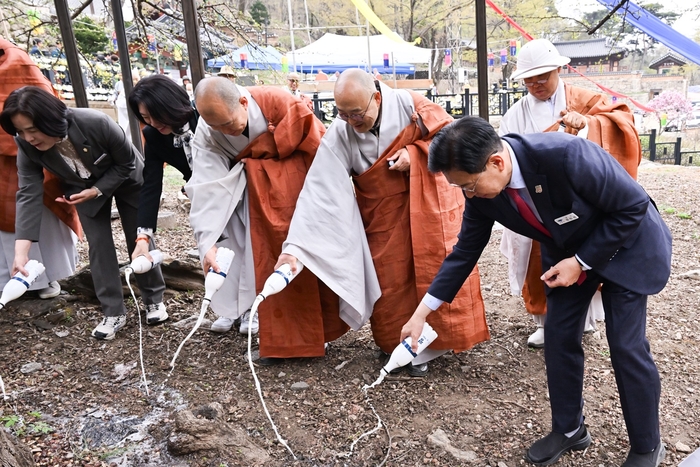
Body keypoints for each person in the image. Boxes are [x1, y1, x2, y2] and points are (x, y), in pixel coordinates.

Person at [401, 116, 670, 467]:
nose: (468, 194)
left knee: (625, 345)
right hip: (568, 252)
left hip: (627, 244)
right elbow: (465, 251)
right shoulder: (484, 190)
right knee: (557, 334)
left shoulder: (566, 155)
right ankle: (570, 429)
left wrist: (583, 261)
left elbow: (632, 206)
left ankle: (647, 445)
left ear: (496, 162)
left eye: (468, 185)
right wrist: (421, 314)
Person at [276, 69, 489, 377]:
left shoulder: (409, 105)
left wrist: (415, 155)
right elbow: (319, 188)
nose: (351, 121)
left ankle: (432, 347)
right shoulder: (341, 130)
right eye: (343, 114)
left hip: (427, 207)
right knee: (388, 280)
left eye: (357, 113)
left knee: (435, 267)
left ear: (376, 98)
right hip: (381, 216)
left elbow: (451, 137)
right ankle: (395, 343)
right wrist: (295, 245)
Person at [186, 77, 348, 357]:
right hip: (253, 201)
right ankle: (279, 341)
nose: (224, 132)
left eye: (227, 124)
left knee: (302, 260)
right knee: (263, 262)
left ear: (243, 102)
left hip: (298, 197)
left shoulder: (279, 102)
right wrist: (207, 243)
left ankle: (316, 336)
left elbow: (321, 151)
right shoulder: (207, 129)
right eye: (216, 127)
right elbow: (206, 184)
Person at [500, 38, 642, 348]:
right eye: (530, 78)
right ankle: (544, 320)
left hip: (582, 195)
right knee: (539, 260)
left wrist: (590, 124)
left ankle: (587, 319)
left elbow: (623, 123)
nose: (537, 83)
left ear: (559, 69)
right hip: (538, 200)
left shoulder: (585, 98)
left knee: (587, 255)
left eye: (543, 75)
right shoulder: (516, 113)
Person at [1, 87, 168, 340]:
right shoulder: (26, 144)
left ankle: (154, 299)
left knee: (139, 238)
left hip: (128, 179)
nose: (28, 137)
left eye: (32, 130)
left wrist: (98, 190)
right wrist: (20, 254)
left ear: (50, 119)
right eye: (21, 131)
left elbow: (126, 164)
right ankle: (113, 311)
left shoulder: (95, 122)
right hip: (80, 188)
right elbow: (28, 193)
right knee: (99, 246)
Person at [0, 38, 79, 299]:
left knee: (31, 208)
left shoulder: (13, 57)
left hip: (27, 156)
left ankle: (46, 277)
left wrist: (25, 135)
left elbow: (35, 102)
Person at [127, 75, 197, 325]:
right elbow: (151, 184)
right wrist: (143, 238)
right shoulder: (154, 135)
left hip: (234, 188)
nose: (154, 123)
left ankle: (247, 310)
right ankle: (230, 310)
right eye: (146, 118)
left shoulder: (204, 119)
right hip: (200, 198)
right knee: (212, 249)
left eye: (157, 115)